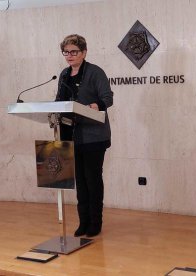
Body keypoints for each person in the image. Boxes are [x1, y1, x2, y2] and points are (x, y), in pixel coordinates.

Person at [55, 34, 113, 237]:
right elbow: (60, 101)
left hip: (93, 136)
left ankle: (95, 223)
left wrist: (95, 105)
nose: (69, 56)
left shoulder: (95, 72)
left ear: (84, 52)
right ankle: (83, 222)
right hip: (72, 135)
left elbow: (108, 98)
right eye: (66, 52)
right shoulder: (63, 74)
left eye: (74, 52)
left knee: (92, 180)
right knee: (80, 180)